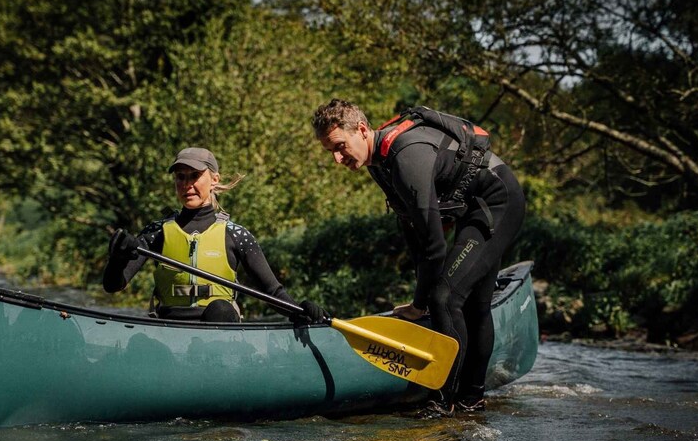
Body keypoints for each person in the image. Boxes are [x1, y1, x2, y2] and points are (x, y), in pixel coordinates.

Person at [311, 99, 525, 415]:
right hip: (476, 209)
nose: (337, 158)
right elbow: (414, 234)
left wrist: (420, 303)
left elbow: (433, 245)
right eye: (330, 151)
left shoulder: (405, 156)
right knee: (472, 304)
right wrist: (419, 297)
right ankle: (470, 399)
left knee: (445, 298)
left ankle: (444, 400)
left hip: (498, 203)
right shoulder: (379, 162)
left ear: (361, 129)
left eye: (340, 147)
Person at [103, 147, 326, 324]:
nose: (186, 185)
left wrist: (300, 310)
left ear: (214, 179)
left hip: (219, 331)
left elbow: (272, 290)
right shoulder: (156, 232)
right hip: (169, 328)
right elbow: (113, 285)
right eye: (180, 177)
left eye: (195, 176)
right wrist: (118, 258)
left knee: (219, 309)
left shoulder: (237, 235)